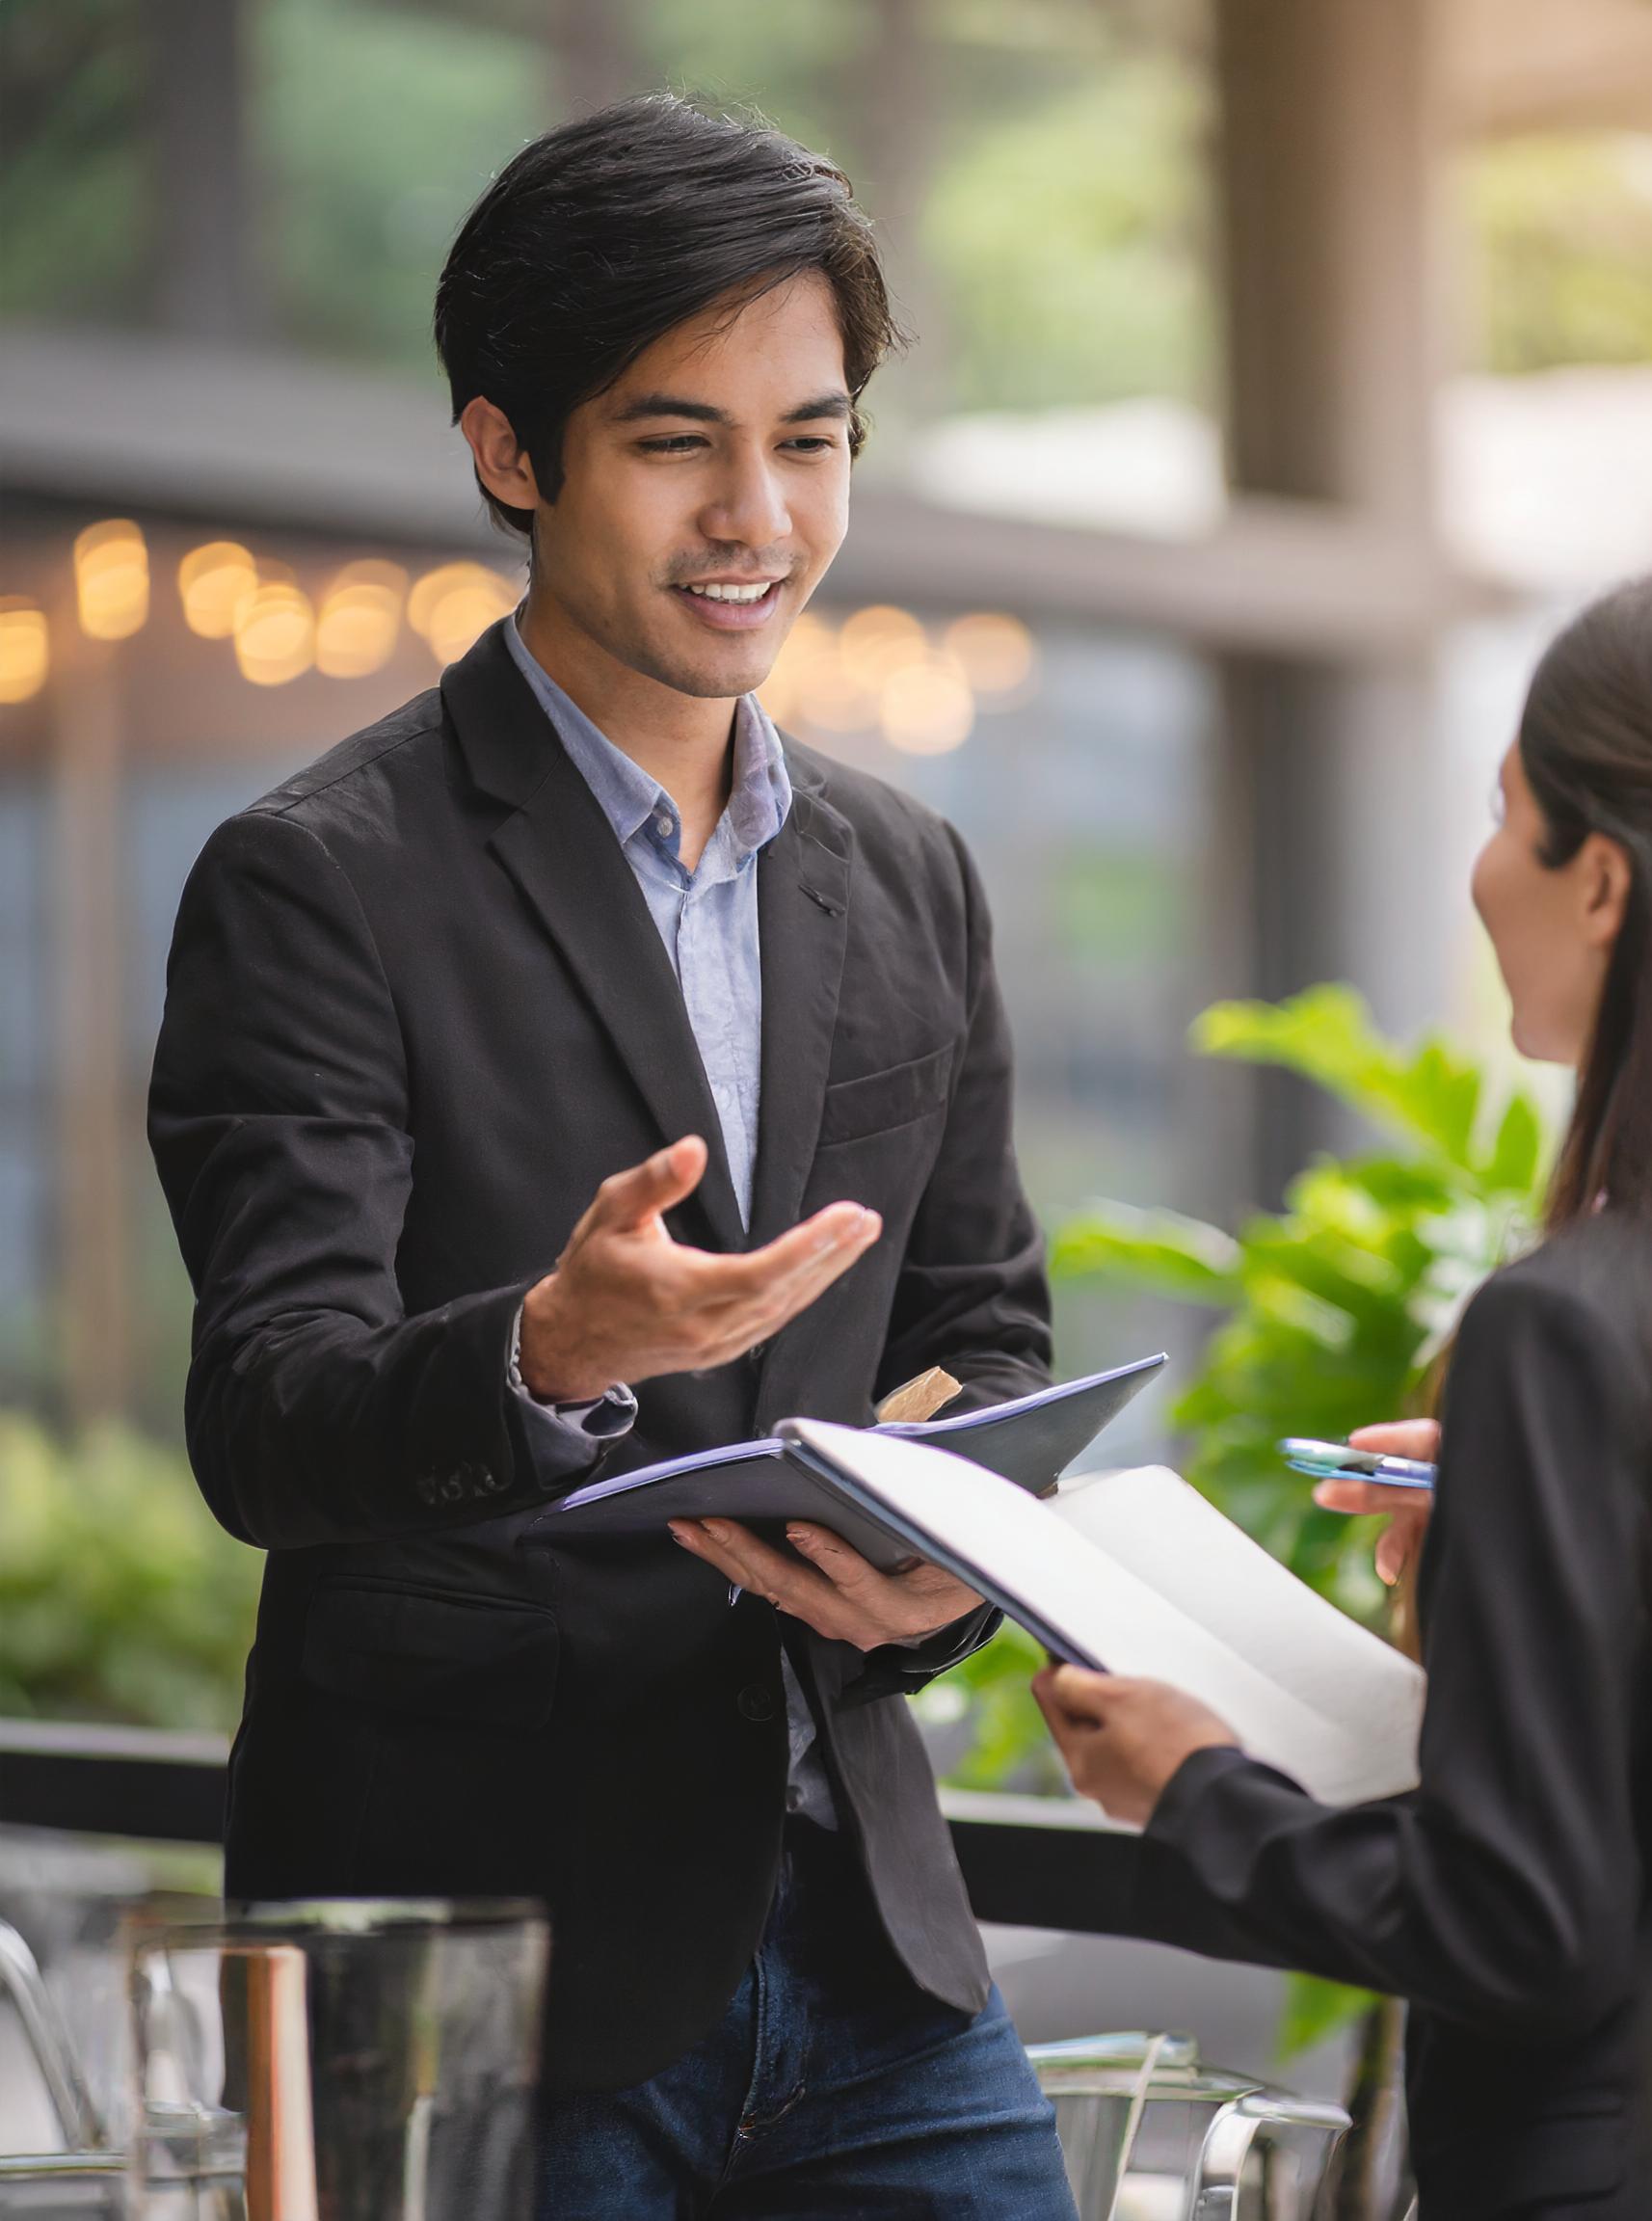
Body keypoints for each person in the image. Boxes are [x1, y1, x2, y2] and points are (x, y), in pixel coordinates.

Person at [148, 95, 1076, 2221]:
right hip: (476, 1952)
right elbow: (265, 1418)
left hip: (872, 1949)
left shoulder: (905, 869)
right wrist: (541, 1353)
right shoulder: (314, 881)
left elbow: (982, 1330)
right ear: (508, 451)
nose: (757, 512)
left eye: (812, 438)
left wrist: (953, 1568)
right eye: (677, 442)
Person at [1033, 566, 1652, 2220]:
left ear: (1606, 883)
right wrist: (1529, 1534)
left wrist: (1194, 1790)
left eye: (1507, 814)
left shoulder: (1573, 1326)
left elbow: (1523, 1924)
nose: (1482, 870)